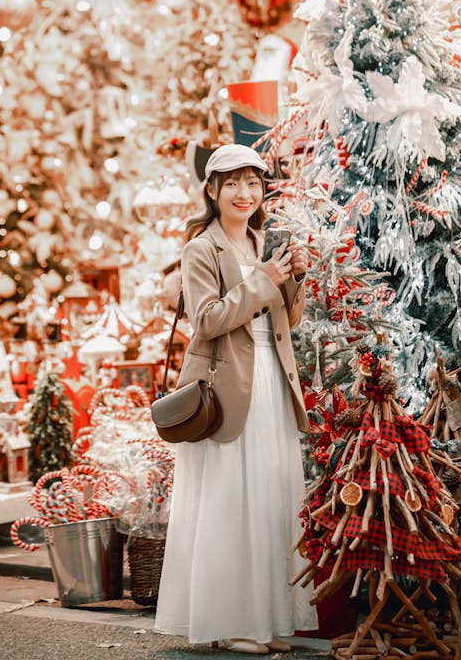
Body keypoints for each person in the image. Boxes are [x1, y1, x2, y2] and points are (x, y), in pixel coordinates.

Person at [155, 143, 318, 653]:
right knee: (231, 504)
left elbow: (287, 322)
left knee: (271, 499)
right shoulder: (201, 248)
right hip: (228, 388)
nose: (244, 193)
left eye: (253, 183)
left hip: (273, 381)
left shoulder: (263, 241)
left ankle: (267, 622)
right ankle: (229, 625)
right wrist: (263, 282)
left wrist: (294, 280)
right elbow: (205, 320)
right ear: (212, 190)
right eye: (232, 184)